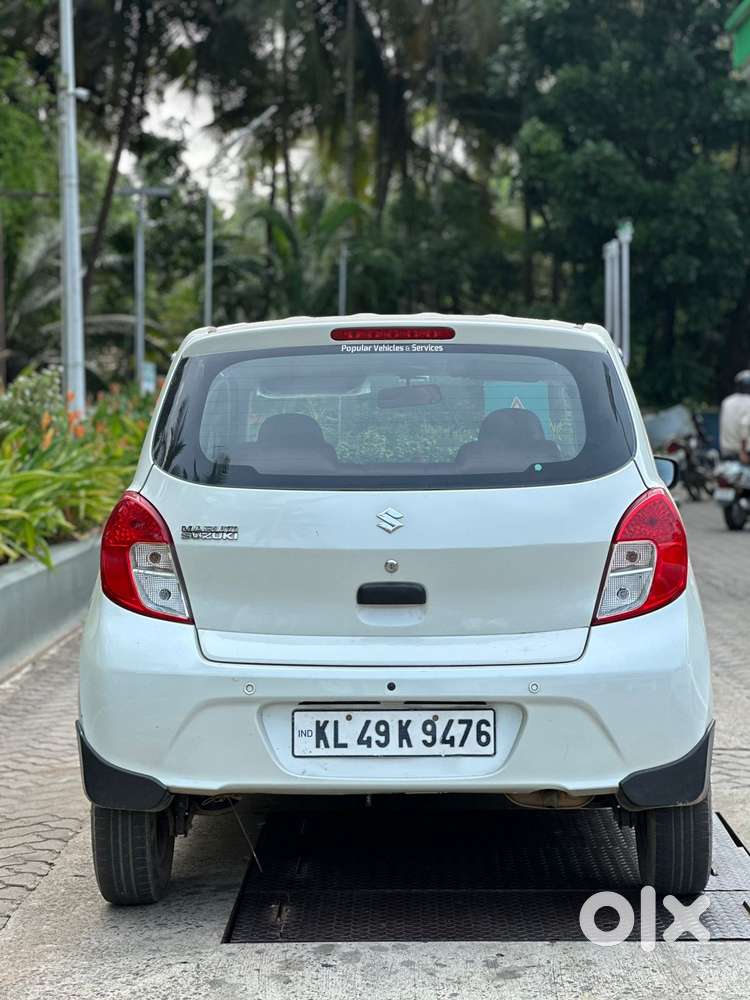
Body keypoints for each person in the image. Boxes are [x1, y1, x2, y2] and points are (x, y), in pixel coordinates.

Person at [719, 370, 750, 462]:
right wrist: (743, 452)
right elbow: (744, 426)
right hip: (743, 453)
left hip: (726, 452)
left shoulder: (727, 402)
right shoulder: (748, 402)